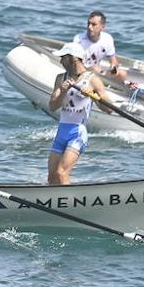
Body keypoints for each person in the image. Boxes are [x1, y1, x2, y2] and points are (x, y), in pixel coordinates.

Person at [47, 41, 109, 185]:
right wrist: (62, 91)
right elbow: (52, 106)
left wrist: (93, 95)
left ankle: (68, 205)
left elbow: (108, 108)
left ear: (74, 58)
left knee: (61, 173)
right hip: (61, 132)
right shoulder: (60, 78)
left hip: (77, 133)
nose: (61, 61)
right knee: (52, 178)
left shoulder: (92, 80)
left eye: (64, 57)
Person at [73, 11, 126, 80]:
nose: (89, 27)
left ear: (102, 27)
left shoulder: (107, 39)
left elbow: (113, 60)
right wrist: (91, 68)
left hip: (98, 71)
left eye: (93, 24)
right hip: (82, 71)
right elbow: (74, 63)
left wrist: (114, 68)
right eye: (88, 23)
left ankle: (117, 88)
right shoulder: (78, 39)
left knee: (122, 74)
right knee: (95, 68)